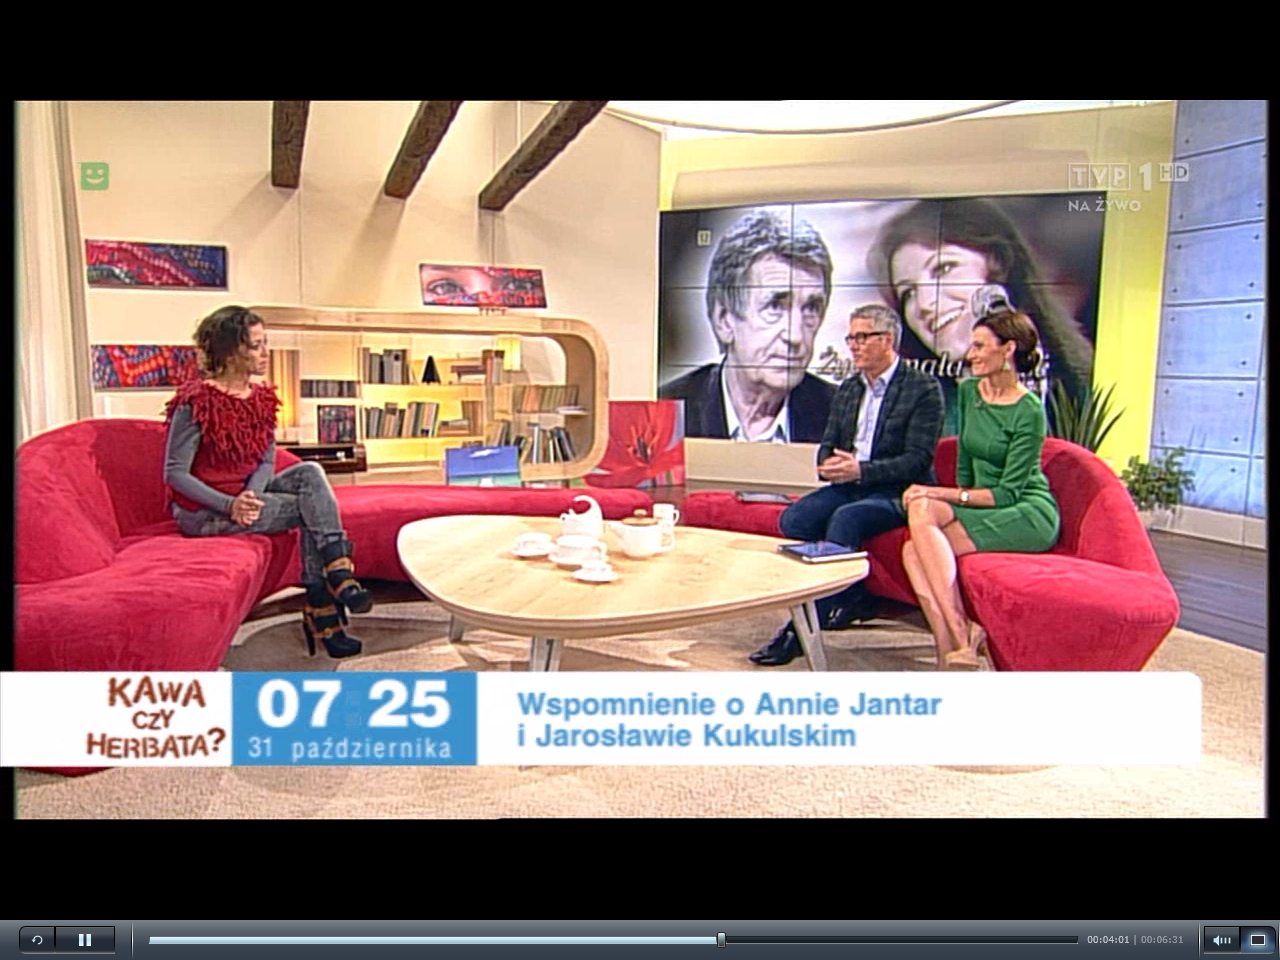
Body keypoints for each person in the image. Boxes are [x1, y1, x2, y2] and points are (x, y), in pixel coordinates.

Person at [162, 305, 373, 660]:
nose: (265, 352)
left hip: (245, 497)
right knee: (311, 510)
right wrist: (231, 505)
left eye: (265, 343)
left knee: (310, 473)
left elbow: (265, 460)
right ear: (231, 352)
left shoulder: (261, 399)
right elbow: (175, 473)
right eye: (256, 345)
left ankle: (335, 573)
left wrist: (252, 495)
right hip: (205, 512)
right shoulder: (196, 402)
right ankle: (324, 596)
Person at [750, 304, 944, 666]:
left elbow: (917, 460)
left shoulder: (922, 388)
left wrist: (862, 471)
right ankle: (852, 594)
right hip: (852, 483)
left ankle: (802, 628)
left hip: (901, 490)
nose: (853, 345)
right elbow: (829, 442)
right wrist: (828, 465)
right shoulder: (850, 388)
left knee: (847, 518)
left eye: (862, 337)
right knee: (795, 519)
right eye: (851, 338)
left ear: (887, 339)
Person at [899, 288, 1061, 670]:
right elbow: (967, 464)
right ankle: (953, 646)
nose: (969, 354)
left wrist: (938, 494)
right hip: (982, 499)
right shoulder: (970, 391)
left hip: (1025, 511)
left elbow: (1008, 493)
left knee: (916, 541)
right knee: (916, 529)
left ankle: (958, 636)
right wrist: (951, 497)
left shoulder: (1028, 410)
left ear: (1008, 350)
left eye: (979, 346)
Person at [866, 198, 1095, 435]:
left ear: (999, 264)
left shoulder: (1080, 388)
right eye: (908, 293)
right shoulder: (912, 416)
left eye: (944, 269)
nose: (925, 303)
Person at [660, 209, 837, 442]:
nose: (796, 336)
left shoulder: (841, 412)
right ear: (724, 319)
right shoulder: (668, 410)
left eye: (811, 308)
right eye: (775, 306)